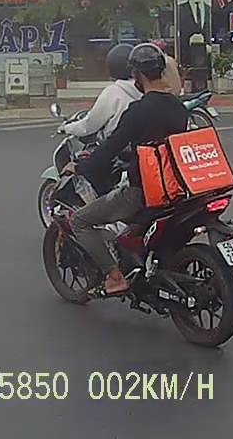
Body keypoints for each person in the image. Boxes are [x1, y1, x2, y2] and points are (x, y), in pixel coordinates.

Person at [71, 44, 190, 296]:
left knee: (79, 220)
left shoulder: (137, 111)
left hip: (143, 192)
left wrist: (80, 166)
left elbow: (109, 148)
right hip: (177, 189)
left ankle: (115, 278)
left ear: (138, 74)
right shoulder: (179, 108)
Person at [59, 43, 144, 193]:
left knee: (87, 168)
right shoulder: (145, 89)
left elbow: (89, 125)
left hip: (115, 152)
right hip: (140, 154)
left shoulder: (113, 92)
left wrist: (67, 128)